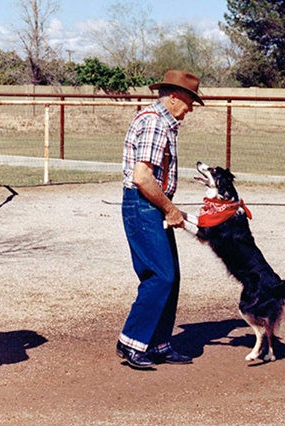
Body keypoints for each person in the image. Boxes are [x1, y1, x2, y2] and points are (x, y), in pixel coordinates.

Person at [116, 70, 204, 369]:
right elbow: (142, 177)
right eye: (190, 101)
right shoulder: (155, 122)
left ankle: (157, 343)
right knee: (160, 276)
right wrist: (170, 209)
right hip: (143, 205)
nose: (191, 108)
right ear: (176, 96)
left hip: (151, 204)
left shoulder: (163, 122)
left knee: (170, 277)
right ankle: (132, 341)